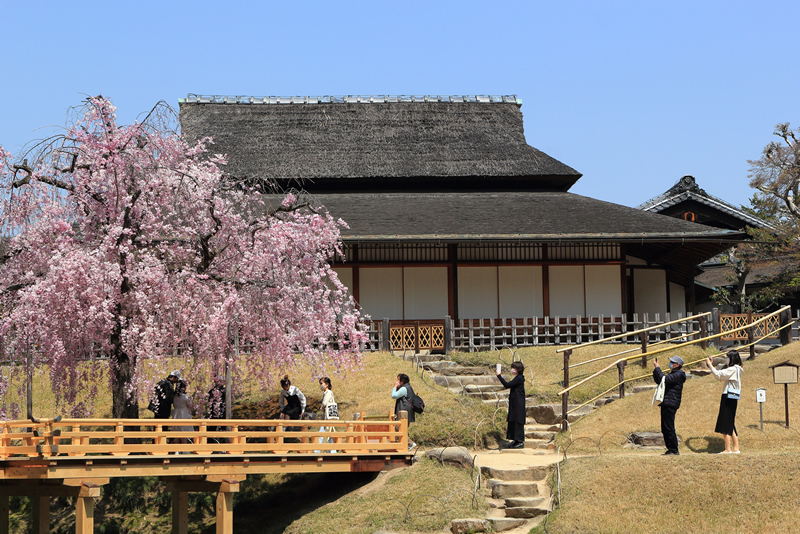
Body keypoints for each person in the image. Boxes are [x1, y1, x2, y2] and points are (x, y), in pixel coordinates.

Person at [706, 350, 743, 454]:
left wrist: (709, 365)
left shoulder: (732, 369)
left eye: (727, 357)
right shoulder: (737, 369)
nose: (726, 359)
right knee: (730, 422)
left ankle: (728, 449)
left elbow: (718, 375)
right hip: (733, 397)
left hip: (728, 396)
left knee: (725, 422)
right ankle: (736, 448)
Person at [653, 355, 686, 455]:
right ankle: (670, 449)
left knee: (669, 427)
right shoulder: (674, 373)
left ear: (677, 365)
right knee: (665, 427)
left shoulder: (679, 374)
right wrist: (656, 370)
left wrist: (658, 368)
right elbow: (659, 380)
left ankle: (674, 450)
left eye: (672, 362)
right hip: (666, 402)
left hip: (671, 403)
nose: (670, 363)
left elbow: (663, 379)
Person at [496, 361, 526, 449]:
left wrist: (499, 376)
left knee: (517, 420)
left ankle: (520, 441)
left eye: (514, 368)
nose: (512, 370)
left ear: (518, 369)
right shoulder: (517, 377)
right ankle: (515, 439)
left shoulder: (519, 378)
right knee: (513, 419)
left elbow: (507, 385)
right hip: (514, 402)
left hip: (518, 403)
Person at [391, 373, 417, 450]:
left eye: (398, 380)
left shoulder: (404, 388)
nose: (397, 381)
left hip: (404, 412)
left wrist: (394, 387)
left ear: (402, 381)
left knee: (399, 428)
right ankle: (405, 446)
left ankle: (410, 443)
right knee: (403, 429)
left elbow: (394, 395)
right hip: (407, 412)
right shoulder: (408, 387)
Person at [171, 380, 195, 450]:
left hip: (176, 413)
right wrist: (192, 399)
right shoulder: (185, 396)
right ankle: (184, 449)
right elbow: (190, 405)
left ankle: (176, 450)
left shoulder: (174, 397)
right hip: (184, 413)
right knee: (184, 432)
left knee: (177, 432)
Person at [206, 375, 228, 445]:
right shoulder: (224, 391)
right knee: (220, 428)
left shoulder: (213, 391)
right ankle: (219, 443)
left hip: (216, 412)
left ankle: (211, 442)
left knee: (213, 428)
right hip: (219, 412)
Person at [318, 377, 337, 452]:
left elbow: (325, 403)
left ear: (326, 384)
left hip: (329, 417)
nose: (321, 385)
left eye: (321, 383)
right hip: (328, 416)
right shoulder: (327, 393)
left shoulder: (328, 392)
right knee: (329, 434)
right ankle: (331, 451)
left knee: (324, 433)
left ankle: (321, 451)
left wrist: (322, 407)